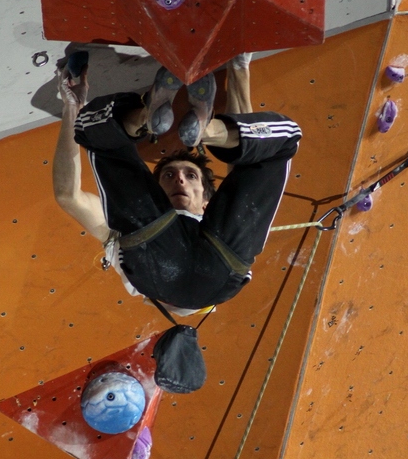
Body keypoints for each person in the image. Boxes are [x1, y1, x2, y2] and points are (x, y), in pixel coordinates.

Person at [53, 54, 302, 317]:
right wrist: (239, 66)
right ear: (209, 204)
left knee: (89, 131)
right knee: (279, 145)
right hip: (217, 275)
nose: (180, 179)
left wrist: (72, 108)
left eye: (184, 176)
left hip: (162, 267)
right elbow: (249, 159)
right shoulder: (218, 223)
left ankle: (147, 118)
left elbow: (69, 196)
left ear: (154, 195)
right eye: (173, 175)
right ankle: (207, 130)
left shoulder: (117, 229)